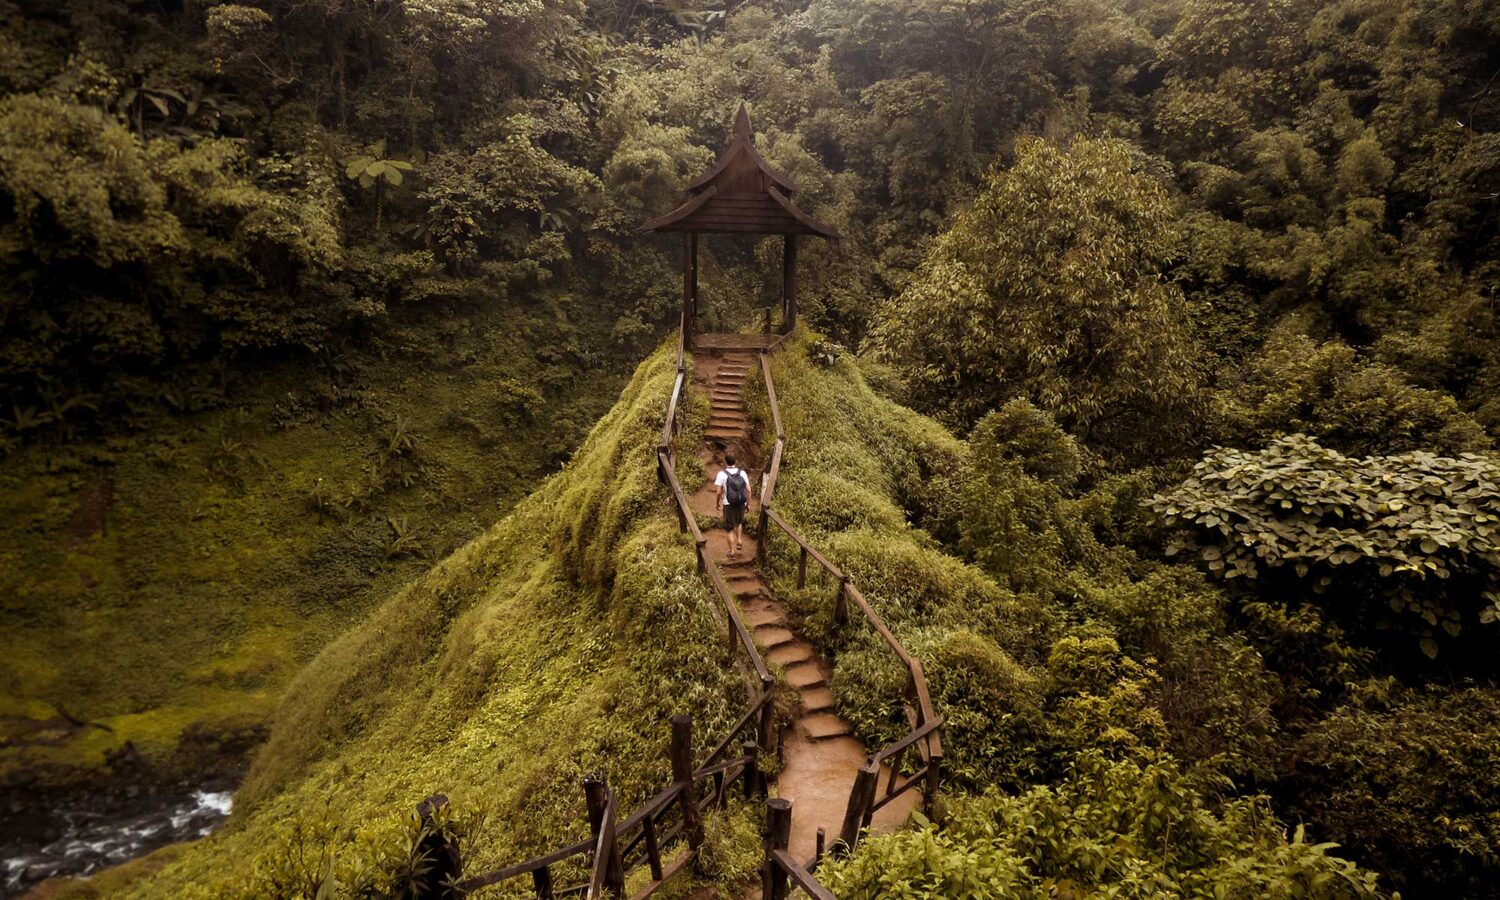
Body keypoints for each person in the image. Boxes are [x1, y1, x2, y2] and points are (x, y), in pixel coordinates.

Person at [714, 451, 752, 558]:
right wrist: (748, 504)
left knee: (729, 528)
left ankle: (732, 552)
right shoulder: (742, 473)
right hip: (741, 503)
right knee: (739, 522)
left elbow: (718, 492)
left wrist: (717, 504)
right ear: (735, 461)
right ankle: (739, 540)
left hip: (728, 504)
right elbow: (749, 490)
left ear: (725, 462)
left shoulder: (721, 474)